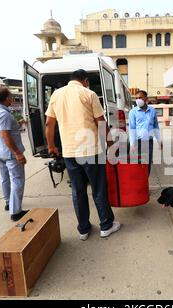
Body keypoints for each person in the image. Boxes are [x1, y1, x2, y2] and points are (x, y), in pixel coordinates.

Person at [45, 69, 120, 241]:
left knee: (78, 191)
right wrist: (110, 145)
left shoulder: (57, 95)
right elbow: (101, 122)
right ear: (85, 80)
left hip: (69, 152)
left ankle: (83, 229)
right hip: (91, 151)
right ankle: (106, 225)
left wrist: (51, 146)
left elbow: (49, 123)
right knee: (99, 189)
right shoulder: (89, 93)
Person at [0, 87, 29, 222]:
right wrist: (17, 153)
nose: (12, 98)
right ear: (6, 98)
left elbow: (2, 128)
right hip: (10, 153)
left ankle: (8, 202)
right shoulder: (4, 114)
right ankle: (16, 211)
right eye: (11, 96)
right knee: (17, 180)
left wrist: (19, 123)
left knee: (4, 178)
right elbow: (5, 135)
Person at [128, 90, 163, 176]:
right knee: (137, 164)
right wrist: (132, 144)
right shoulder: (133, 112)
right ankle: (138, 185)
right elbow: (132, 129)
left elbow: (156, 127)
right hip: (137, 142)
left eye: (140, 97)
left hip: (149, 142)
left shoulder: (152, 111)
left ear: (146, 98)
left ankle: (145, 184)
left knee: (147, 164)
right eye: (136, 98)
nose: (138, 100)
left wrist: (159, 140)